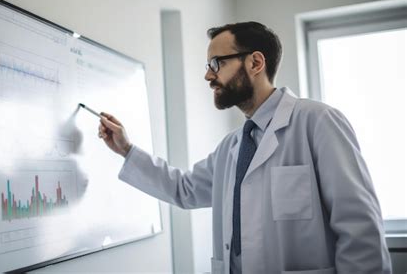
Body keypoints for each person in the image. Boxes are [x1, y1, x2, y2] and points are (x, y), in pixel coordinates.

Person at [97, 21, 391, 274]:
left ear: (255, 63)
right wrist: (127, 149)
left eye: (217, 64)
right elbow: (184, 190)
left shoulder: (318, 122)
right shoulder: (232, 147)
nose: (208, 76)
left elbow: (360, 230)